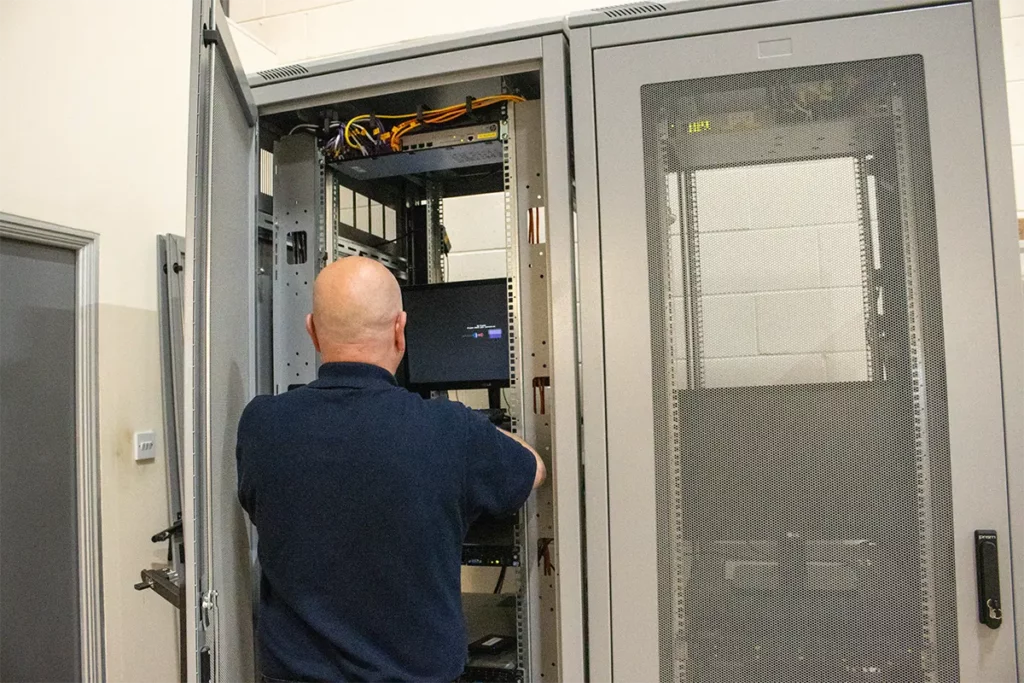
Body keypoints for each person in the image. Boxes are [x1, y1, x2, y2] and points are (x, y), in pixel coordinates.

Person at [236, 256, 546, 683]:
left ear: (312, 331)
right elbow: (532, 470)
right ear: (400, 329)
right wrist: (483, 432)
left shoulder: (260, 424)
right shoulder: (451, 429)